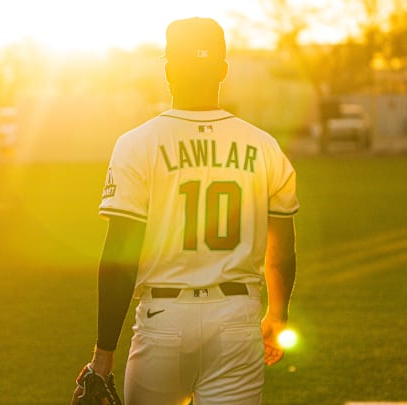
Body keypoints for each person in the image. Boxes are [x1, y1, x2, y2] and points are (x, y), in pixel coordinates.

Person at [72, 17, 299, 405]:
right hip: (236, 318)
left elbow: (120, 256)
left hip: (163, 320)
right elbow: (280, 254)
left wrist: (103, 356)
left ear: (168, 71)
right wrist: (276, 315)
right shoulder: (263, 145)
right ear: (223, 71)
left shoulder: (136, 143)